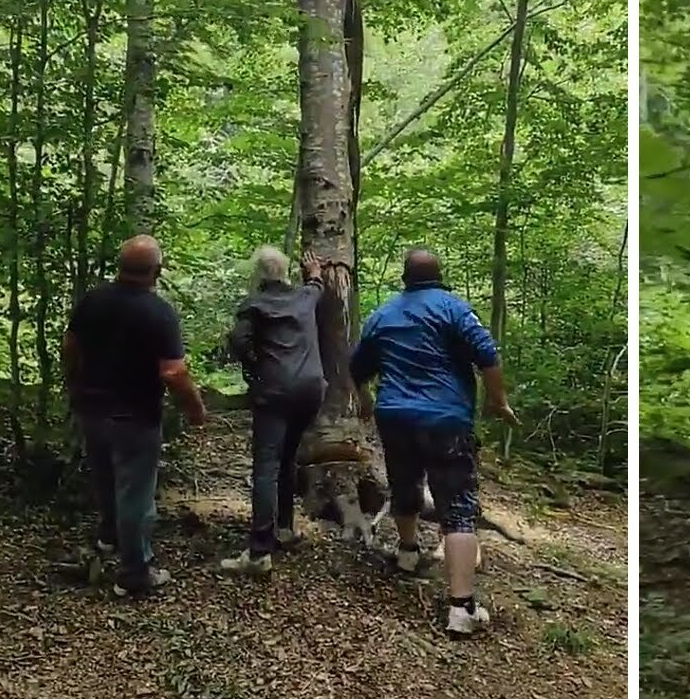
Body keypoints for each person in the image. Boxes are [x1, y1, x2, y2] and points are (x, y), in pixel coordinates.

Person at [349, 248, 520, 635]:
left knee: (404, 484)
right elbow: (488, 355)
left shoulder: (383, 315)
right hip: (446, 419)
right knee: (458, 506)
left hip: (395, 417)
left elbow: (357, 366)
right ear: (439, 275)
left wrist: (365, 399)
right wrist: (499, 402)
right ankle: (461, 608)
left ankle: (408, 552)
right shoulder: (454, 309)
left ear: (404, 279)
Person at [62, 234, 207, 597]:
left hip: (92, 409)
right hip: (135, 416)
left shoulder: (94, 300)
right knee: (135, 494)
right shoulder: (158, 312)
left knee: (106, 481)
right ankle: (135, 572)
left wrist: (75, 384)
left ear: (120, 266)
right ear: (157, 271)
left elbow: (70, 346)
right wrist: (195, 409)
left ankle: (109, 541)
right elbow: (174, 372)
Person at [220, 247, 327, 575]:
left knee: (267, 464)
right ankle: (284, 528)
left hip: (276, 391)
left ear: (258, 275)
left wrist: (255, 362)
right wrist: (316, 273)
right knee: (287, 458)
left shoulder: (254, 305)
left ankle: (259, 552)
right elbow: (317, 287)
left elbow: (238, 340)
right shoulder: (305, 297)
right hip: (311, 389)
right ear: (285, 273)